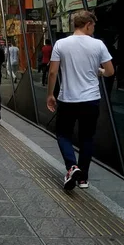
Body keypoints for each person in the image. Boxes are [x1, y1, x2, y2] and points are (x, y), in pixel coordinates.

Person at [47, 10, 115, 190]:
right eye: (93, 26)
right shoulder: (98, 45)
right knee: (87, 138)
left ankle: (72, 166)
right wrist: (99, 71)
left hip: (68, 99)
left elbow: (53, 72)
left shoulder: (61, 44)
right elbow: (110, 71)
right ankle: (83, 178)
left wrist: (50, 95)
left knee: (63, 134)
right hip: (91, 99)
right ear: (87, 25)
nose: (94, 29)